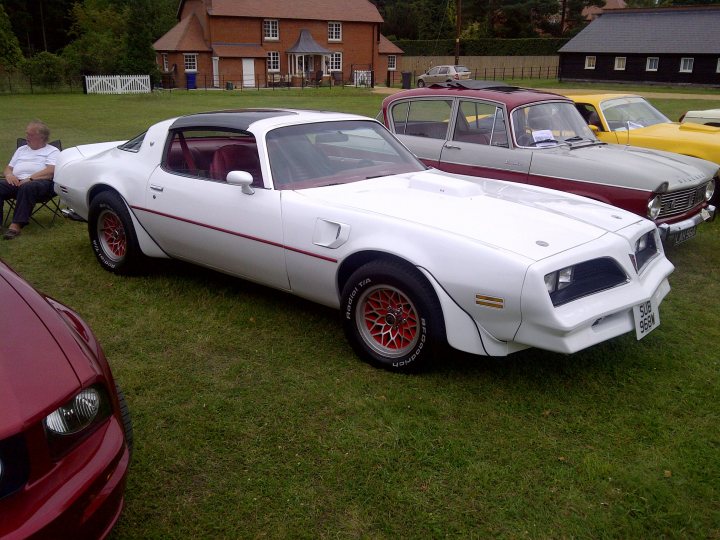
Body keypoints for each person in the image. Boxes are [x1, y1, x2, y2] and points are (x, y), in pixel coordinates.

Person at [1, 120, 60, 240]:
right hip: (17, 182)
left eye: (30, 135)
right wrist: (9, 175)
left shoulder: (52, 151)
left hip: (42, 184)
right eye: (26, 134)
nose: (26, 137)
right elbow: (8, 168)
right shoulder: (21, 149)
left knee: (27, 186)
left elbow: (51, 171)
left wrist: (30, 178)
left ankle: (16, 225)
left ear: (42, 137)